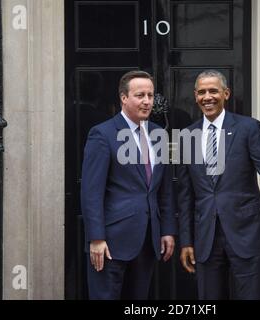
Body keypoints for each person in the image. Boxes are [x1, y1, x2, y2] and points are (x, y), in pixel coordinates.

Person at [177, 70, 260, 300]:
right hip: (206, 238)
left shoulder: (248, 128)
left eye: (213, 91)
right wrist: (186, 241)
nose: (208, 96)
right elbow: (185, 195)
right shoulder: (187, 135)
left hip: (246, 231)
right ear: (195, 96)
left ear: (226, 93)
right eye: (202, 92)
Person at [81, 70, 177, 300]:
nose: (147, 101)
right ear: (124, 98)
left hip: (148, 240)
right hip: (110, 242)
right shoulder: (102, 134)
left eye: (150, 95)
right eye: (140, 95)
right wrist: (96, 237)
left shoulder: (158, 134)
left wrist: (167, 230)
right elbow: (91, 192)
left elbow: (164, 188)